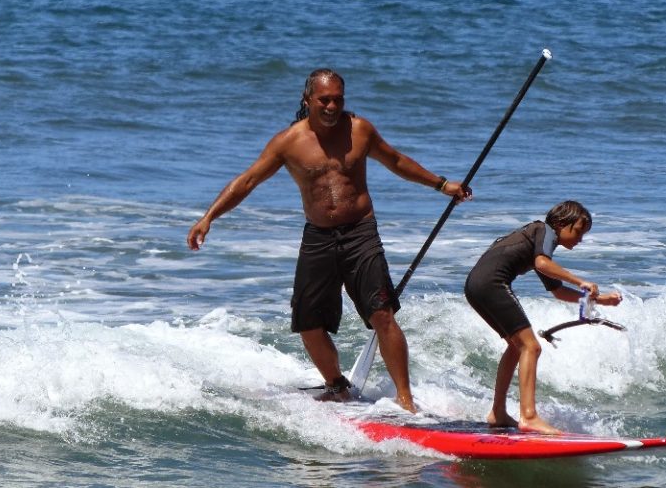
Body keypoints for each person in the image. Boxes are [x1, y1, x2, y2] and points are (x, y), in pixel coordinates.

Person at [187, 68, 471, 413]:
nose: (332, 106)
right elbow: (247, 181)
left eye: (338, 99)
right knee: (307, 323)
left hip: (361, 232)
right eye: (324, 100)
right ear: (307, 100)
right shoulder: (288, 142)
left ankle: (406, 401)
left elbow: (396, 160)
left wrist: (442, 185)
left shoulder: (359, 130)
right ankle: (337, 387)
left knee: (382, 315)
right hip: (318, 236)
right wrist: (209, 217)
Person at [464, 200, 622, 434]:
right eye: (579, 231)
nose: (580, 239)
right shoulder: (544, 230)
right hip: (491, 284)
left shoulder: (538, 243)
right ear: (561, 223)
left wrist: (601, 300)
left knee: (516, 347)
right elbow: (542, 263)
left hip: (475, 286)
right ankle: (529, 416)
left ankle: (498, 412)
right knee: (531, 347)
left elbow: (557, 291)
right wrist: (581, 281)